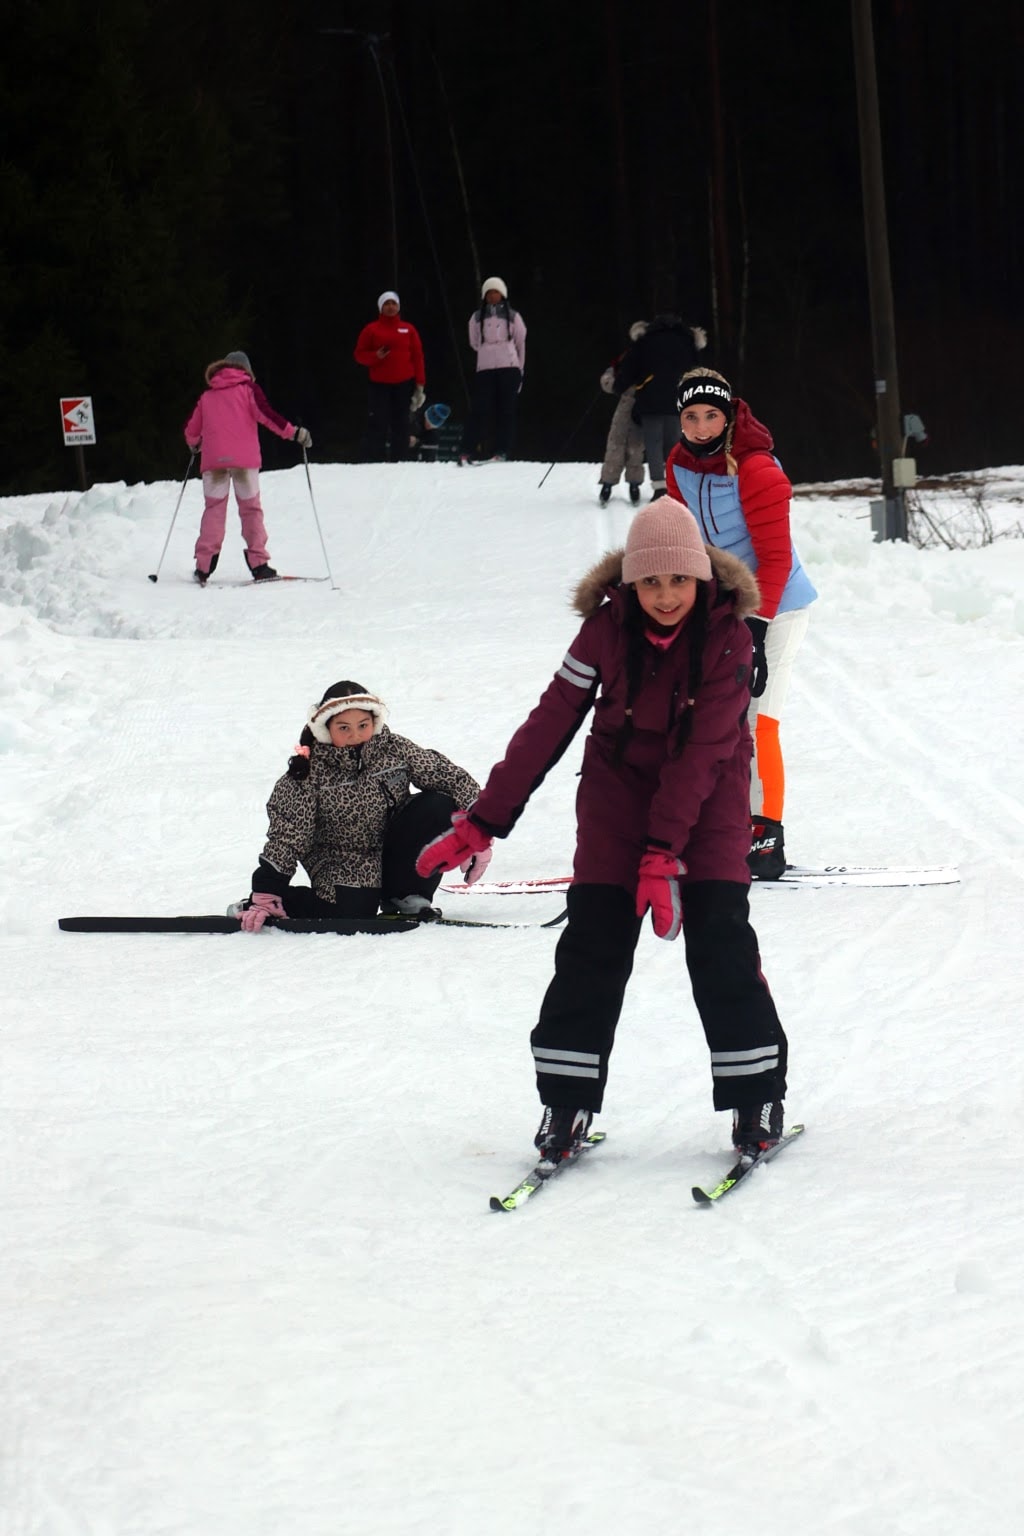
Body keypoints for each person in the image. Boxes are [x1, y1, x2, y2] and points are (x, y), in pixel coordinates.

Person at [416, 498, 789, 1164]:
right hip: (617, 801)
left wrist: (664, 851)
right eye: (651, 582)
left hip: (706, 805)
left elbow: (703, 752)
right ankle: (567, 1103)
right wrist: (484, 819)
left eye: (678, 580)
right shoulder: (604, 630)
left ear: (701, 577)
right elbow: (549, 722)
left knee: (720, 943)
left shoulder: (730, 635)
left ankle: (756, 1095)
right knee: (591, 948)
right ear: (629, 582)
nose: (665, 596)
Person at [665, 368, 817, 879]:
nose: (701, 427)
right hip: (725, 607)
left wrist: (756, 628)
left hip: (778, 606)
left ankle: (765, 839)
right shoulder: (679, 463)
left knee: (757, 719)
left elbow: (774, 558)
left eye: (711, 415)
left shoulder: (757, 469)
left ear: (728, 416)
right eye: (691, 416)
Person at [235, 681, 488, 932]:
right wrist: (267, 890)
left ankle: (407, 896)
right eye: (343, 727)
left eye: (363, 725)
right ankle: (272, 903)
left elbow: (451, 778)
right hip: (340, 859)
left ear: (374, 722)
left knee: (438, 804)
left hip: (395, 848)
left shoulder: (394, 749)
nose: (355, 735)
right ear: (326, 728)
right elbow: (288, 837)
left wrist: (478, 830)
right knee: (353, 913)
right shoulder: (308, 773)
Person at [183, 350, 311, 584]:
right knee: (251, 509)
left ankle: (204, 566)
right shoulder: (249, 390)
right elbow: (268, 416)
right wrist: (294, 433)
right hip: (244, 462)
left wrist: (195, 444)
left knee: (214, 509)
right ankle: (259, 565)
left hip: (214, 463)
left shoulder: (207, 396)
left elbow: (191, 430)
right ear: (246, 371)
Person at [613, 315, 706, 498]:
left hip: (650, 399)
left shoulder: (646, 339)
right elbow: (697, 370)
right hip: (677, 398)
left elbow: (631, 367)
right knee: (675, 443)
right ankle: (675, 485)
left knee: (653, 443)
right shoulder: (687, 341)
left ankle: (659, 486)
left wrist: (619, 386)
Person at [460, 277, 527, 464]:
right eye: (488, 292)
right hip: (485, 368)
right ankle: (467, 450)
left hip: (509, 367)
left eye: (495, 292)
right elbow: (474, 341)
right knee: (480, 409)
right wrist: (488, 351)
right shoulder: (476, 317)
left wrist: (520, 370)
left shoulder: (513, 316)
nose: (492, 296)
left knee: (506, 411)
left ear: (502, 294)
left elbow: (520, 342)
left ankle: (501, 451)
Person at [353, 291, 426, 462]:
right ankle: (375, 459)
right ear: (381, 307)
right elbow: (359, 355)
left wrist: (420, 383)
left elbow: (418, 357)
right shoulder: (371, 329)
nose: (391, 307)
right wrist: (375, 356)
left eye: (394, 303)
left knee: (401, 423)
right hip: (379, 384)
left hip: (404, 383)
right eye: (387, 303)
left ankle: (399, 460)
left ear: (399, 306)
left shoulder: (409, 329)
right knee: (378, 421)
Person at [597, 321, 647, 505]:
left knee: (619, 444)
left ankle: (610, 484)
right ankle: (630, 485)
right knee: (634, 446)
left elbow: (614, 382)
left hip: (632, 403)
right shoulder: (650, 356)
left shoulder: (630, 355)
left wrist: (609, 378)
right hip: (642, 405)